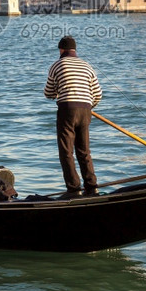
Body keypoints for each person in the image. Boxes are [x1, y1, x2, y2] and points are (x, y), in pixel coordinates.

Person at [43, 36, 102, 198]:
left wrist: (58, 91)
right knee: (84, 151)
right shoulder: (87, 66)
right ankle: (92, 187)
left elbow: (48, 93)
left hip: (67, 109)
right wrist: (89, 106)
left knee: (66, 151)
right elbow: (97, 94)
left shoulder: (57, 65)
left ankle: (74, 189)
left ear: (61, 50)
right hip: (86, 109)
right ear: (74, 50)